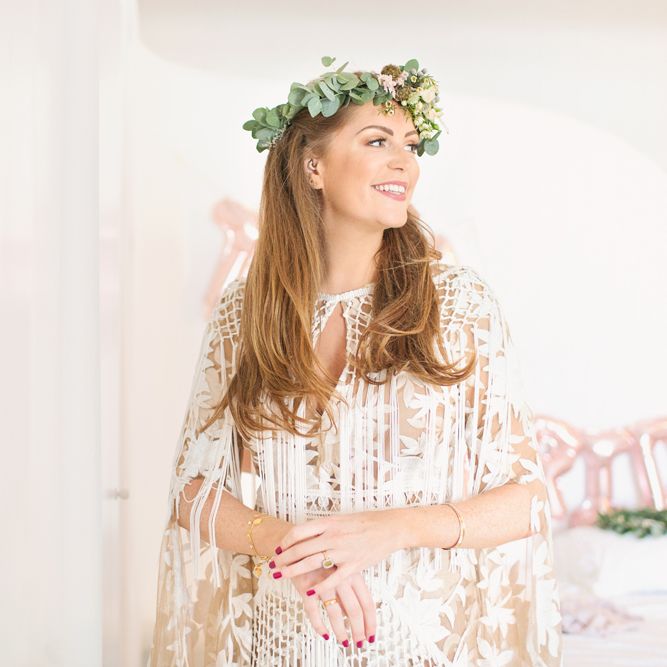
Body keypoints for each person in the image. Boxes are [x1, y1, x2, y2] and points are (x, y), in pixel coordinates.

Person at [148, 57, 563, 666]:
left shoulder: (458, 304)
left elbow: (525, 500)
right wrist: (288, 546)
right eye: (377, 141)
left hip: (419, 643)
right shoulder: (246, 309)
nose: (405, 162)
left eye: (411, 145)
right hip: (285, 639)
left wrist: (395, 528)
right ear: (312, 166)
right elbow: (193, 491)